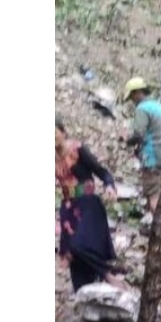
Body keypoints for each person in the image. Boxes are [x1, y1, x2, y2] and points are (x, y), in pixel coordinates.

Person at [55, 119, 128, 293]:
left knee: (79, 246)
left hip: (88, 203)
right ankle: (89, 298)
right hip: (68, 208)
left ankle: (108, 275)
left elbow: (101, 171)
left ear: (63, 132)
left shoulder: (77, 150)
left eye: (53, 132)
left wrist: (109, 185)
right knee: (77, 267)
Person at [122, 77, 161, 226]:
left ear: (138, 92)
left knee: (153, 193)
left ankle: (160, 229)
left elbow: (139, 134)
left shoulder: (142, 109)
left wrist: (126, 139)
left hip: (152, 156)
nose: (132, 100)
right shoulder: (159, 106)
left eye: (132, 96)